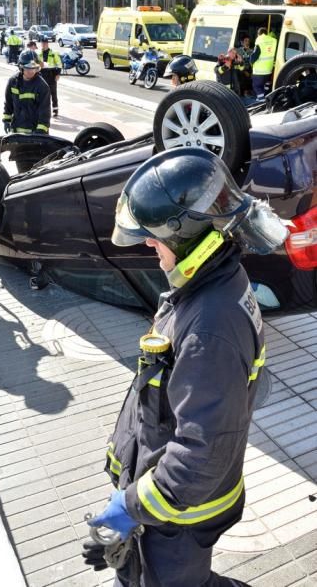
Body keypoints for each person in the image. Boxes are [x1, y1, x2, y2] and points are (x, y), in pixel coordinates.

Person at [83, 147, 289, 587]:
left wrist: (132, 507)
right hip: (171, 500)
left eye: (152, 234)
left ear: (183, 233)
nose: (146, 242)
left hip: (178, 513)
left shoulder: (209, 326)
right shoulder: (210, 280)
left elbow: (199, 455)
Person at [250, 27, 278, 101]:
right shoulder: (273, 41)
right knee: (264, 86)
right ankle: (263, 97)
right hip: (269, 70)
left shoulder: (260, 41)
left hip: (259, 71)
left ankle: (262, 100)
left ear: (259, 34)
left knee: (256, 86)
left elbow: (254, 56)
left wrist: (251, 62)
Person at [38, 34, 62, 117]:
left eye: (45, 43)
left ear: (48, 44)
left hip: (51, 75)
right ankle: (43, 110)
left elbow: (59, 64)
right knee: (42, 94)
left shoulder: (53, 53)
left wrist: (58, 74)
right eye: (42, 43)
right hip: (41, 75)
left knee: (53, 93)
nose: (44, 44)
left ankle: (55, 110)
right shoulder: (38, 53)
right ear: (41, 43)